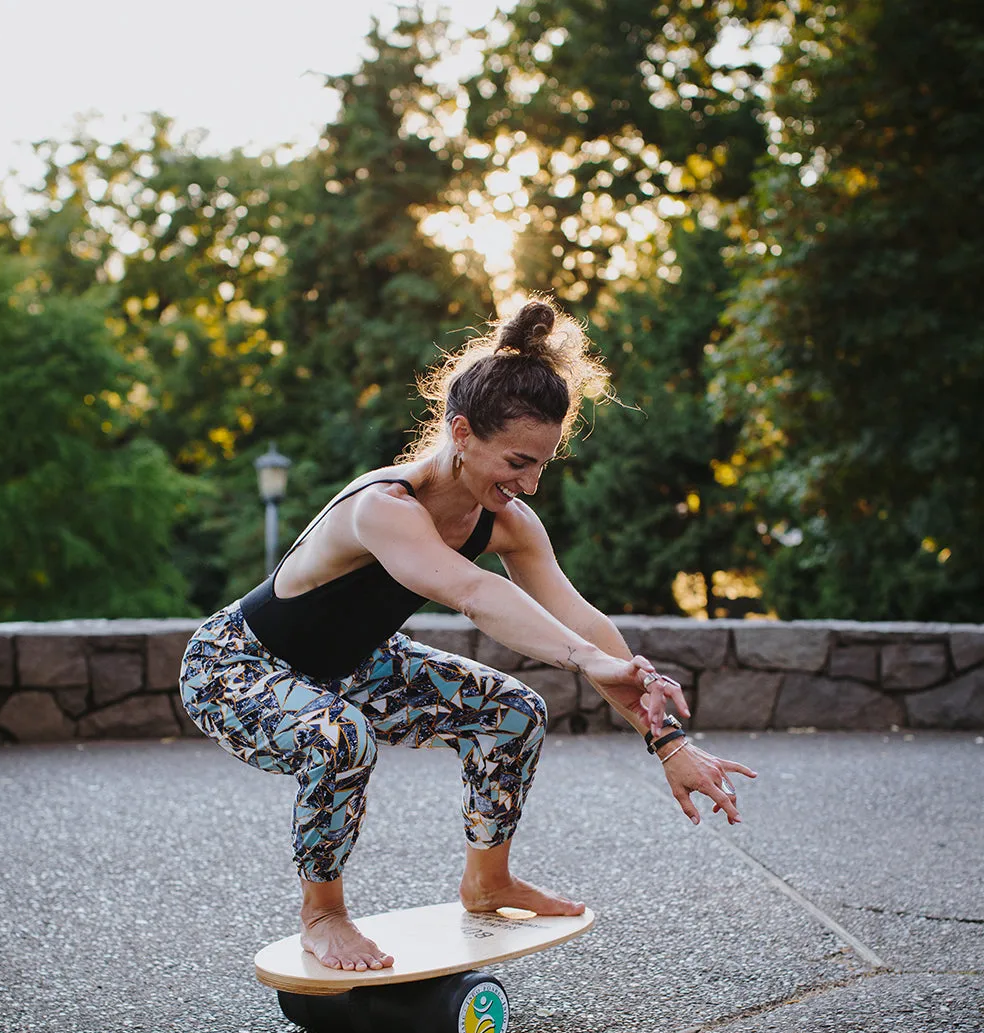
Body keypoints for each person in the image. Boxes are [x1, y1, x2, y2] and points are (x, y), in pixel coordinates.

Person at [179, 299, 756, 973]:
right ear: (461, 432)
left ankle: (488, 882)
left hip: (353, 665)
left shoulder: (506, 519)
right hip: (238, 667)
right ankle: (324, 914)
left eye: (542, 464)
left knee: (511, 712)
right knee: (337, 738)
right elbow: (477, 594)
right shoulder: (382, 507)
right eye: (517, 460)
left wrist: (667, 741)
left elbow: (582, 621)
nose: (531, 484)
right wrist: (593, 661)